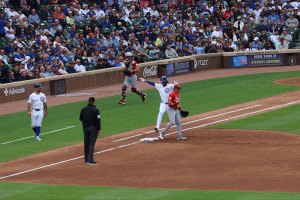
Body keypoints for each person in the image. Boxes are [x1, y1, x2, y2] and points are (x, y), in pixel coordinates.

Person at [79, 97, 101, 165]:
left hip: (85, 128)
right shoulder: (96, 110)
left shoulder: (83, 109)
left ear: (88, 101)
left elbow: (81, 118)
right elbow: (98, 121)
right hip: (93, 129)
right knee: (91, 144)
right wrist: (99, 129)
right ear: (94, 102)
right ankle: (91, 160)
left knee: (86, 143)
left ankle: (86, 160)